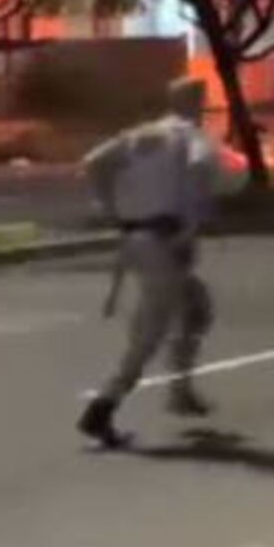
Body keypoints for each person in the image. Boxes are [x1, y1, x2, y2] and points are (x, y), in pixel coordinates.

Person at [77, 78, 223, 448]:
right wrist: (191, 224)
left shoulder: (141, 135)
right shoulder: (190, 136)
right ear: (198, 103)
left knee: (196, 307)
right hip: (163, 240)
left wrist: (109, 208)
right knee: (150, 333)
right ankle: (103, 406)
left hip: (136, 240)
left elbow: (93, 163)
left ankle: (180, 390)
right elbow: (200, 168)